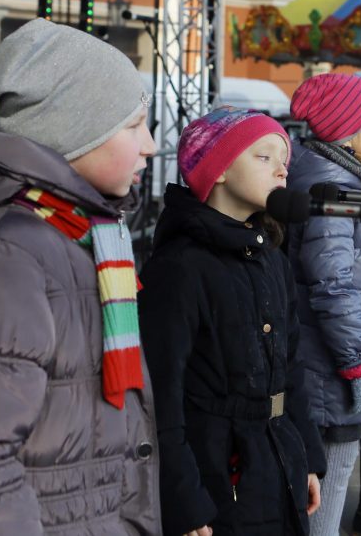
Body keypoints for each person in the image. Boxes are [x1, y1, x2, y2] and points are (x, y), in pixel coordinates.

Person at [0, 18, 161, 534]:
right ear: (73, 129)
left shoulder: (78, 232)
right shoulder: (10, 255)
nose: (149, 146)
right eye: (133, 125)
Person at [138, 107, 326, 536]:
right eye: (264, 157)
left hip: (278, 458)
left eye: (285, 160)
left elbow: (291, 366)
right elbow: (161, 393)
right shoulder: (181, 267)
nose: (282, 170)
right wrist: (182, 498)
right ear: (218, 170)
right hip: (217, 476)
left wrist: (308, 458)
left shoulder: (271, 257)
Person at [283, 73, 361, 536]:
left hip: (335, 361)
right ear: (347, 134)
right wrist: (359, 366)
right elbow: (332, 285)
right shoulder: (332, 191)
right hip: (331, 369)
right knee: (329, 483)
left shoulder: (341, 177)